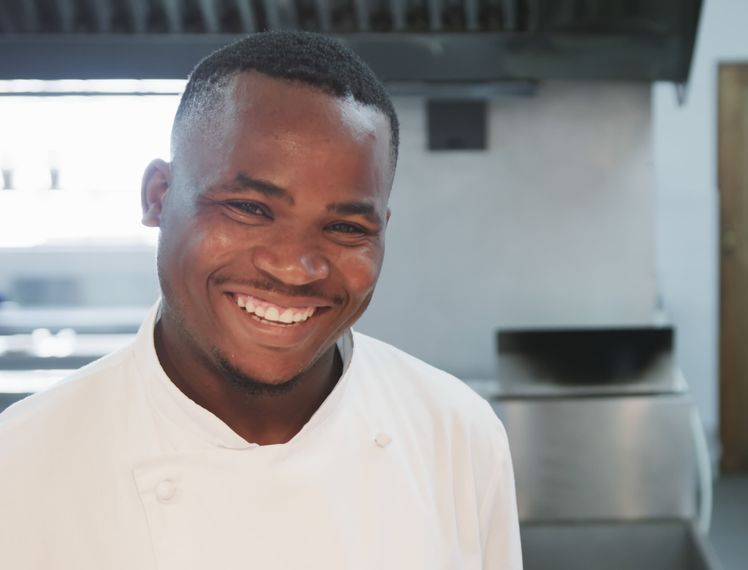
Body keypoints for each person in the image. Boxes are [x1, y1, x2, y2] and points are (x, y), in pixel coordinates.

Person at [0, 30, 522, 569]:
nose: (296, 267)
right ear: (158, 196)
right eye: (249, 208)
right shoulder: (21, 464)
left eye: (345, 226)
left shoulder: (458, 433)